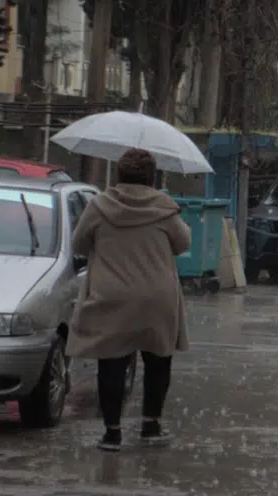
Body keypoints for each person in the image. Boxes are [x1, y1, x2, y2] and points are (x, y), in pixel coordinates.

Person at [67, 148, 192, 451]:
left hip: (112, 295)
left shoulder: (99, 206)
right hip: (156, 296)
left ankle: (112, 433)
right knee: (158, 360)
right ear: (151, 176)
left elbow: (79, 244)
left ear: (119, 173)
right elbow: (183, 243)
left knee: (111, 362)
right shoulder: (165, 207)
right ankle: (151, 425)